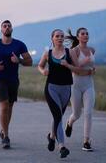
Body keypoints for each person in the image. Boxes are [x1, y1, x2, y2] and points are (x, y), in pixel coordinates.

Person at [0, 20, 33, 149]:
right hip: (0, 78)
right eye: (4, 26)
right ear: (1, 29)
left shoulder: (19, 45)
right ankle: (6, 136)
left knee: (10, 106)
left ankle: (3, 130)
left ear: (12, 29)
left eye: (9, 26)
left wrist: (19, 60)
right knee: (4, 106)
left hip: (13, 79)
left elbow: (30, 62)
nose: (7, 28)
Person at [37, 29, 82, 158]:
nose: (60, 38)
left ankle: (51, 136)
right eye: (57, 36)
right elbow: (39, 66)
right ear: (52, 38)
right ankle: (61, 146)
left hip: (66, 88)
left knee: (58, 117)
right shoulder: (48, 53)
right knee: (57, 116)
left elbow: (78, 69)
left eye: (62, 36)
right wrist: (43, 71)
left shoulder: (70, 52)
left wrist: (67, 65)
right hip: (51, 88)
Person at [65, 27, 96, 151]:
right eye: (83, 34)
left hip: (89, 85)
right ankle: (69, 123)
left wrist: (93, 69)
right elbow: (76, 67)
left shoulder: (92, 50)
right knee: (77, 114)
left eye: (87, 33)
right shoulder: (74, 51)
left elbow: (91, 66)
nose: (85, 35)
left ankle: (86, 141)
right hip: (76, 85)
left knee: (88, 113)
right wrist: (86, 62)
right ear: (78, 37)